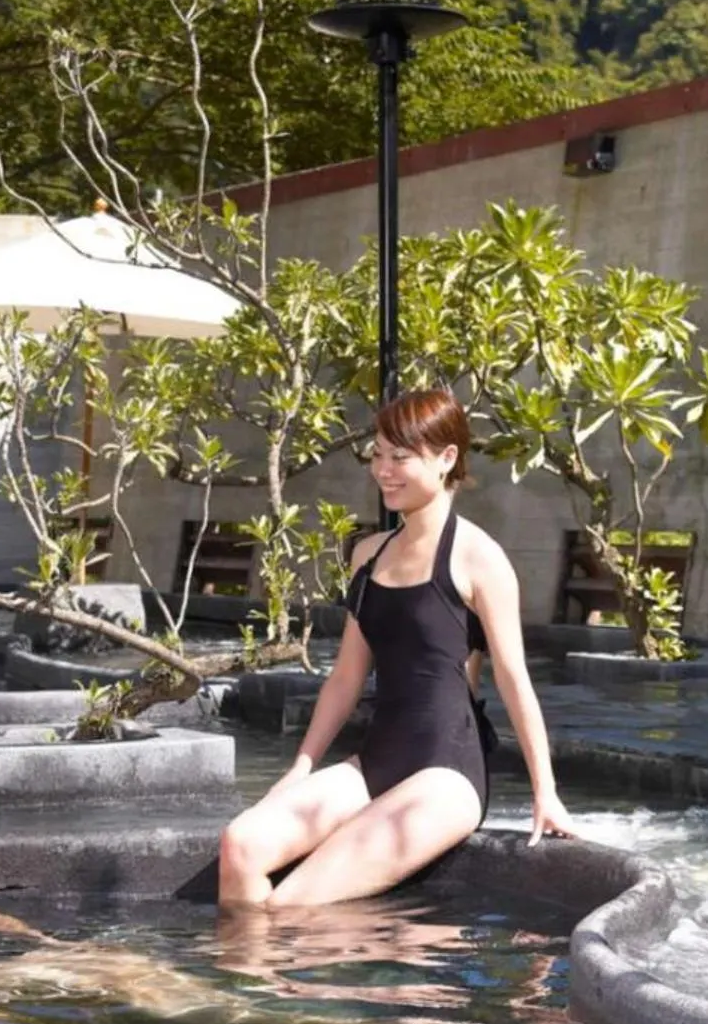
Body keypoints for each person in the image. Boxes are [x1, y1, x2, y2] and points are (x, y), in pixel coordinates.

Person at [217, 386, 579, 908]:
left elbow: (513, 678)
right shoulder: (368, 553)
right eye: (378, 455)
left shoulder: (480, 559)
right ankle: (241, 986)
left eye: (400, 457)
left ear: (447, 458)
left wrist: (545, 792)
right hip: (377, 760)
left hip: (447, 774)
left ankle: (259, 978)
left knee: (290, 905)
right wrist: (301, 766)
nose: (384, 470)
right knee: (241, 845)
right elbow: (345, 677)